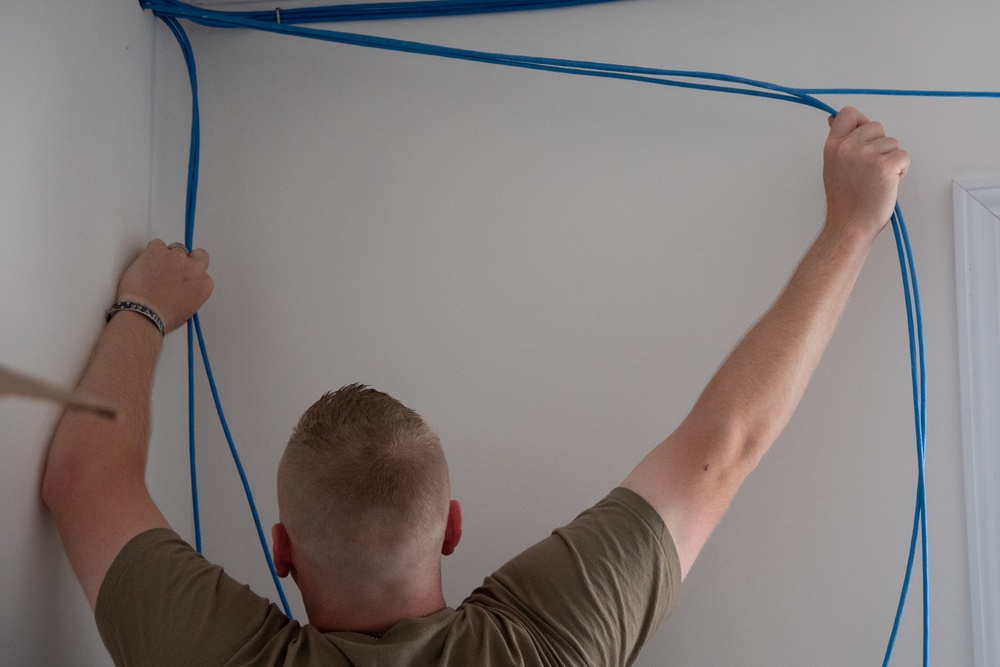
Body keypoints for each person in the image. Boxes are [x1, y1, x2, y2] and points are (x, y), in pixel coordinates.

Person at [42, 106, 909, 666]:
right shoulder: (544, 642)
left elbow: (82, 480)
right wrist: (852, 225)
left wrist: (145, 309)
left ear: (282, 548)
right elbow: (723, 451)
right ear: (452, 526)